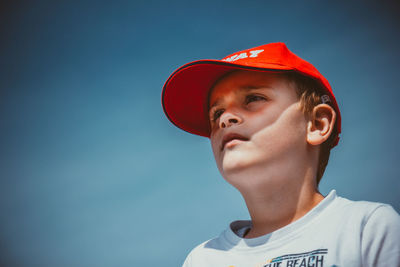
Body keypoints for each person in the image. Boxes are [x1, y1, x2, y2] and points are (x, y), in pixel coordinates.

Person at [161, 43, 400, 267]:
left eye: (253, 98)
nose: (225, 119)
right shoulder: (204, 259)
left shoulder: (367, 228)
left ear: (316, 124)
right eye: (217, 113)